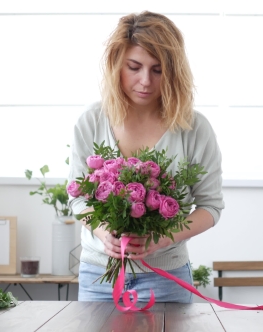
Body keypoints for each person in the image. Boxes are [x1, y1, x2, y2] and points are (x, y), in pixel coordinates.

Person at [68, 11, 224, 303]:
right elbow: (77, 197)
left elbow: (211, 207)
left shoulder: (194, 128)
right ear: (117, 65)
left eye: (157, 70)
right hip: (99, 278)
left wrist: (162, 239)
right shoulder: (91, 121)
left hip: (167, 278)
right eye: (134, 67)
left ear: (174, 72)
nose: (145, 81)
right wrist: (103, 233)